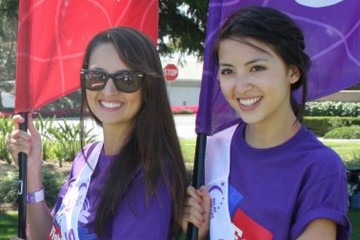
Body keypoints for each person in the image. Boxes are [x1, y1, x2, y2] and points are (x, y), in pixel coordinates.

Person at [181, 6, 351, 239]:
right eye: (228, 71)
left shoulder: (320, 168)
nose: (240, 86)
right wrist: (199, 232)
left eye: (257, 68)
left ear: (293, 72)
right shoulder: (213, 150)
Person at [8, 26, 187, 239]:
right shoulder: (87, 158)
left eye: (126, 79)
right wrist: (32, 171)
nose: (108, 90)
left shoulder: (152, 176)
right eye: (96, 76)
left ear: (148, 88)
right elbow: (51, 235)